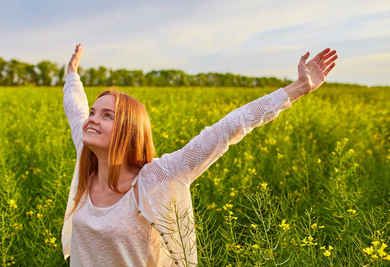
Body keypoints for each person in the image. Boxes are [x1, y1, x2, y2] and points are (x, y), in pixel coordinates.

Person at [61, 44, 337, 266]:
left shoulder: (155, 179)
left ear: (129, 130)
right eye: (94, 113)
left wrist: (298, 88)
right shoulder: (87, 162)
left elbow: (227, 128)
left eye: (107, 115)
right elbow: (75, 107)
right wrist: (72, 73)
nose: (92, 120)